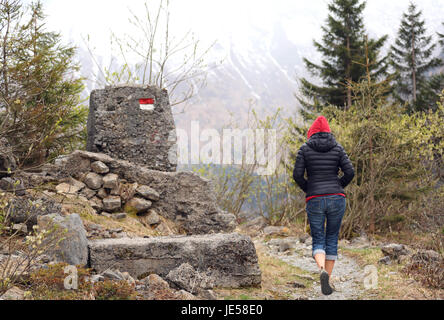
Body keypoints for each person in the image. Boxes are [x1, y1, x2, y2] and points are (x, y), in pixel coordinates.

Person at [293, 116, 355, 295]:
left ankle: (321, 269)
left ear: (311, 132)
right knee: (332, 237)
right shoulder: (337, 148)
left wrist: (310, 189)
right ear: (328, 131)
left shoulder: (304, 149)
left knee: (318, 237)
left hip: (315, 199)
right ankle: (328, 277)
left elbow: (297, 175)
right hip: (337, 198)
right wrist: (339, 186)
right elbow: (350, 171)